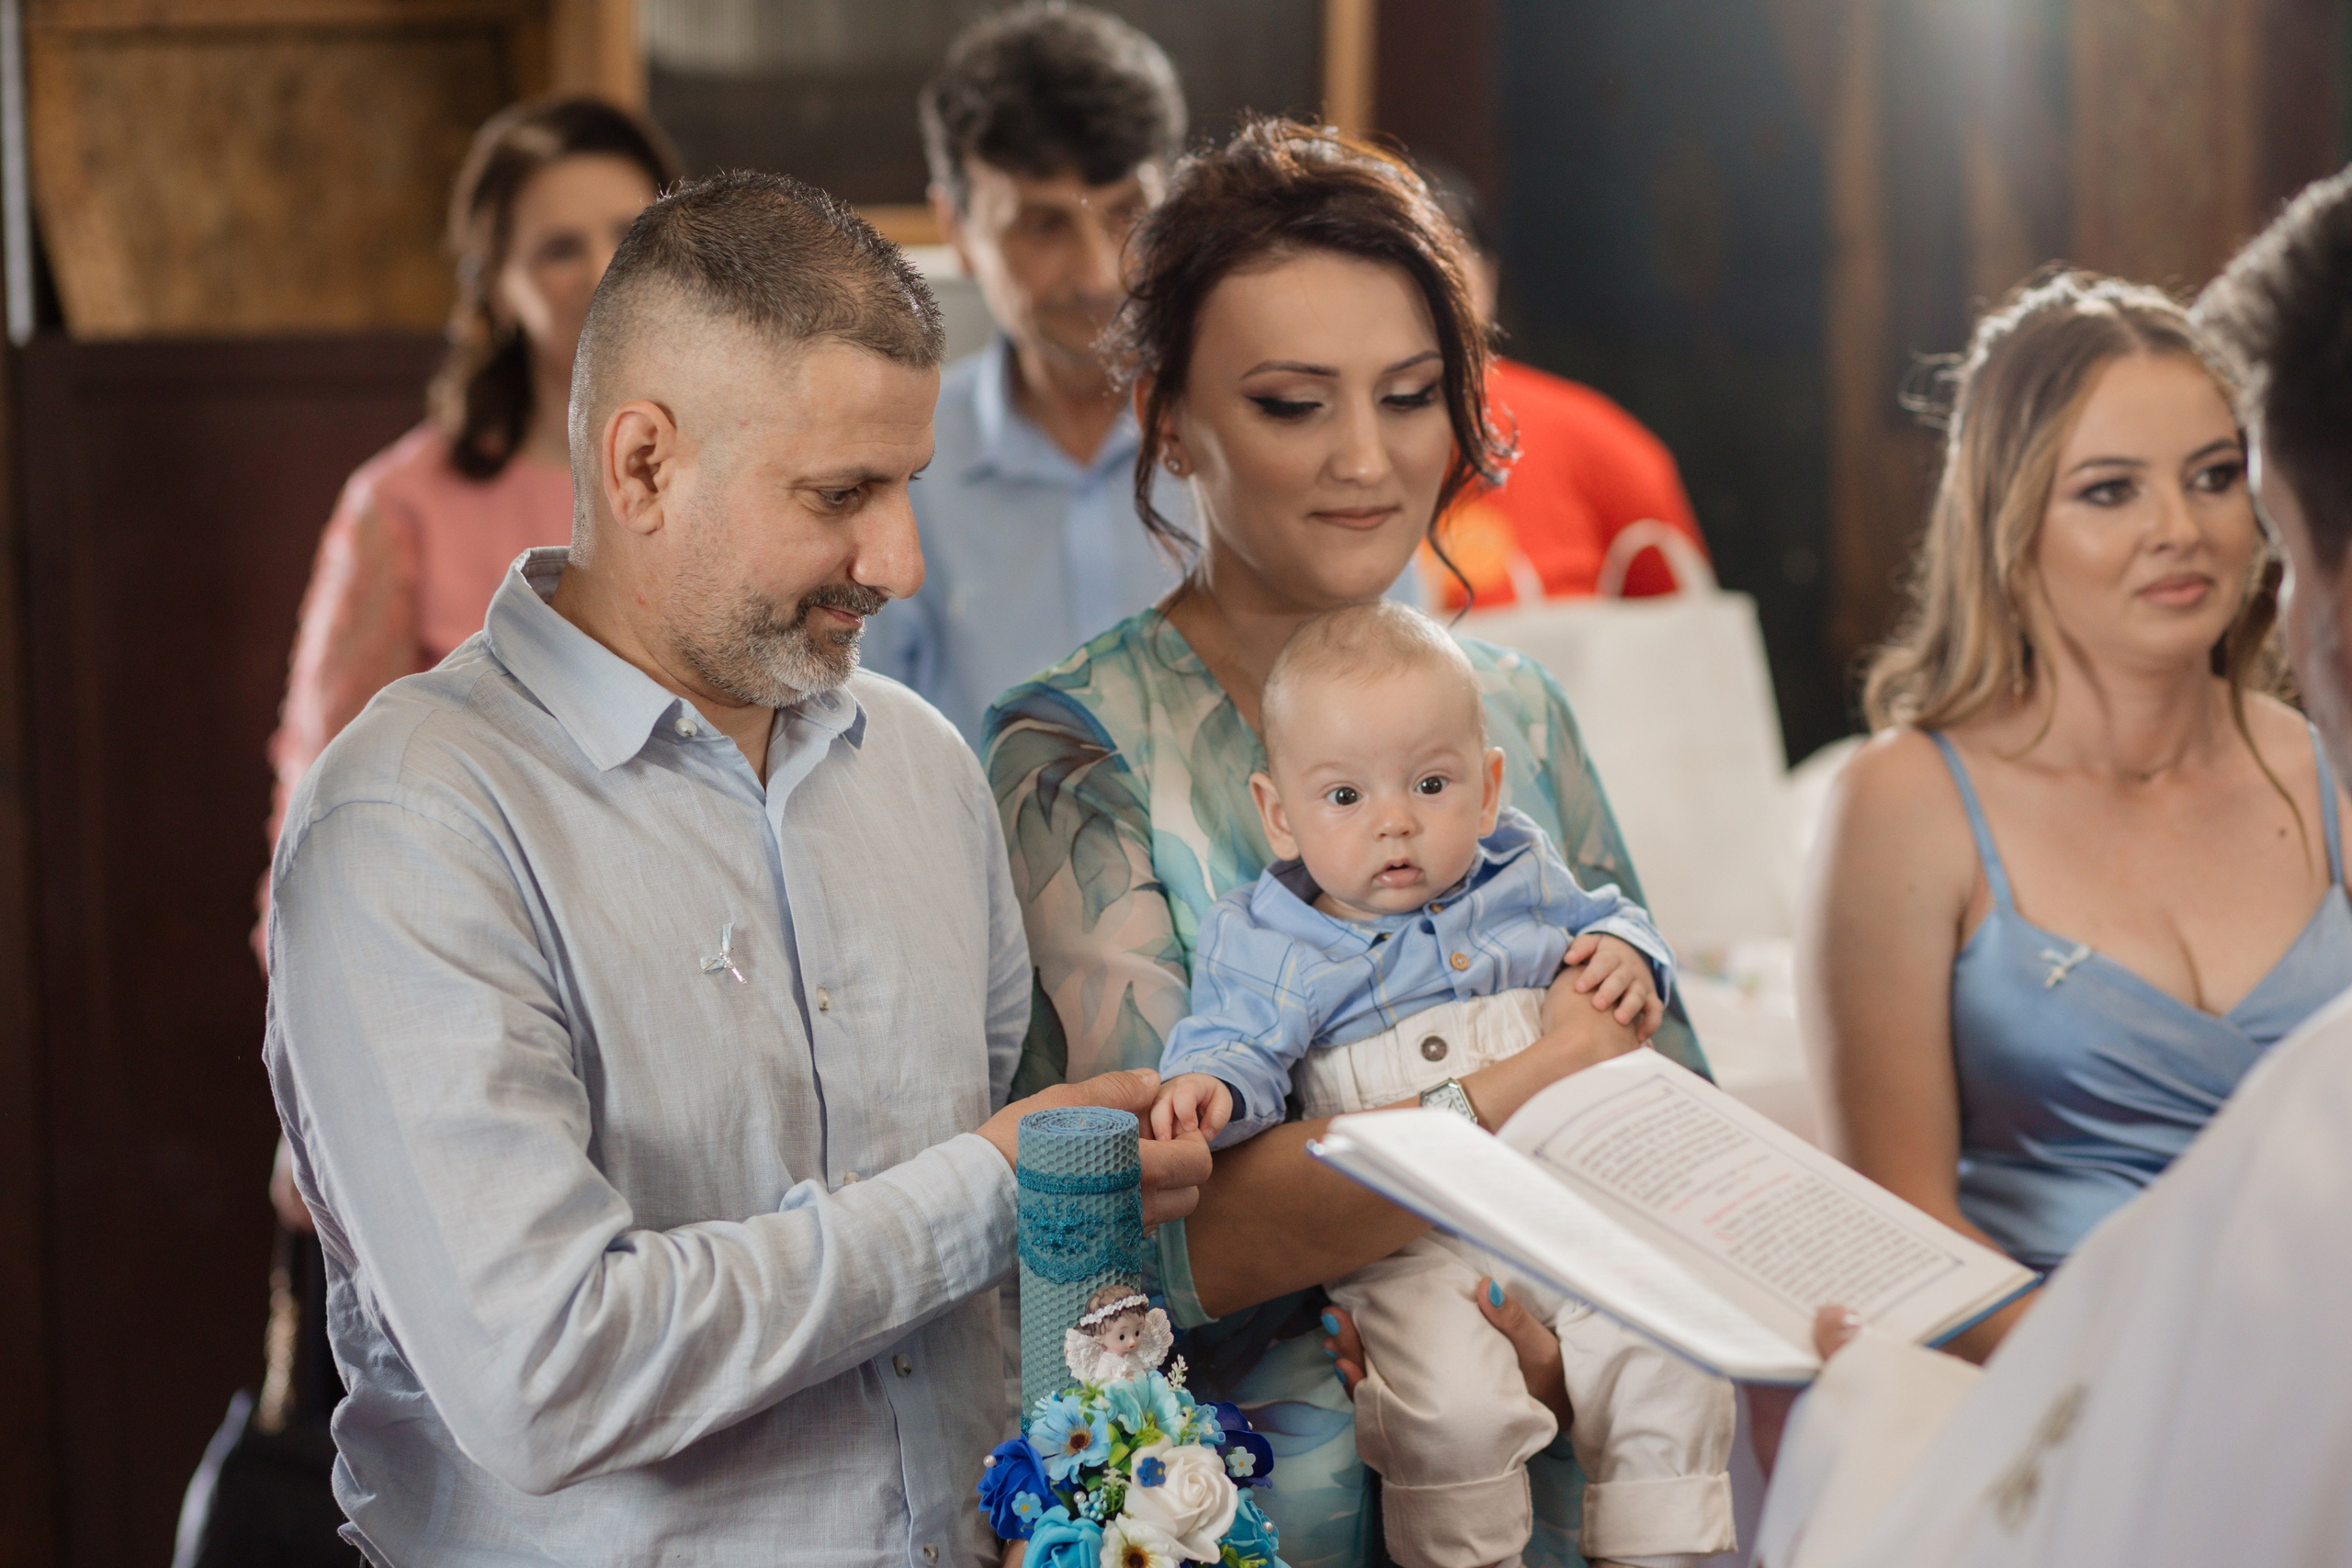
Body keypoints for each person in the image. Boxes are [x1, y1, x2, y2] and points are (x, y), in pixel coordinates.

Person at [263, 169, 1208, 1562]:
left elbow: (985, 1300)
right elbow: (547, 1372)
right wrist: (991, 1186)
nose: (900, 560)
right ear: (642, 465)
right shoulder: (411, 822)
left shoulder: (924, 764)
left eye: (907, 487)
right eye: (841, 493)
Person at [985, 117, 1707, 1568]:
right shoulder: (1071, 749)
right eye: (1291, 403)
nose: (1368, 460)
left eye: (1412, 393)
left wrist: (1564, 1353)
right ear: (1168, 416)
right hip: (1249, 1503)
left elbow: (1662, 1103)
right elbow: (1176, 1242)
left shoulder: (1516, 708)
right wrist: (1527, 1082)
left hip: (1549, 1436)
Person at [1739, 164, 2352, 1567]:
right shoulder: (1905, 804)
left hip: (2313, 1384)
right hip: (2025, 1406)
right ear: (2013, 523)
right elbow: (1904, 1232)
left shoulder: (2326, 768)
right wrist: (2157, 1382)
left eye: (2214, 475)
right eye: (2110, 490)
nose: (2179, 531)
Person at [1150, 602, 1734, 1568]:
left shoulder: (1521, 875)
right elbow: (1235, 1044)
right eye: (1344, 798)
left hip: (1563, 1189)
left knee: (1658, 1334)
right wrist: (1207, 1088)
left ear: (1488, 787)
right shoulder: (1266, 938)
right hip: (1406, 1237)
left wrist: (1628, 955)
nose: (1395, 823)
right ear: (1277, 815)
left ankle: (1661, 1548)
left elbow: (1612, 917)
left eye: (1430, 784)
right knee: (1449, 1408)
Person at [862, 4, 1190, 745]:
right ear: (957, 230)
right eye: (1044, 225)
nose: (1100, 274)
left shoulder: (1269, 428)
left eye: (1127, 212)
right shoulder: (891, 471)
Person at [1409, 164, 1709, 609]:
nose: (1422, 288)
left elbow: (1684, 629)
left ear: (1487, 279)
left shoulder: (1588, 434)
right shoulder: (1306, 443)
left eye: (1447, 257)